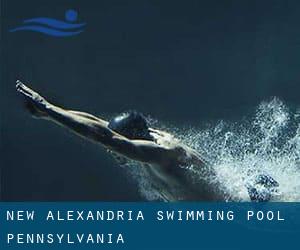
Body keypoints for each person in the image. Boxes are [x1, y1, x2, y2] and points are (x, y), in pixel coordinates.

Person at [15, 80, 278, 201]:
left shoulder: (162, 154)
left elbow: (106, 137)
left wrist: (48, 109)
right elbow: (99, 125)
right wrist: (51, 113)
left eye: (115, 146)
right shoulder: (146, 139)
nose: (110, 151)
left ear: (132, 140)